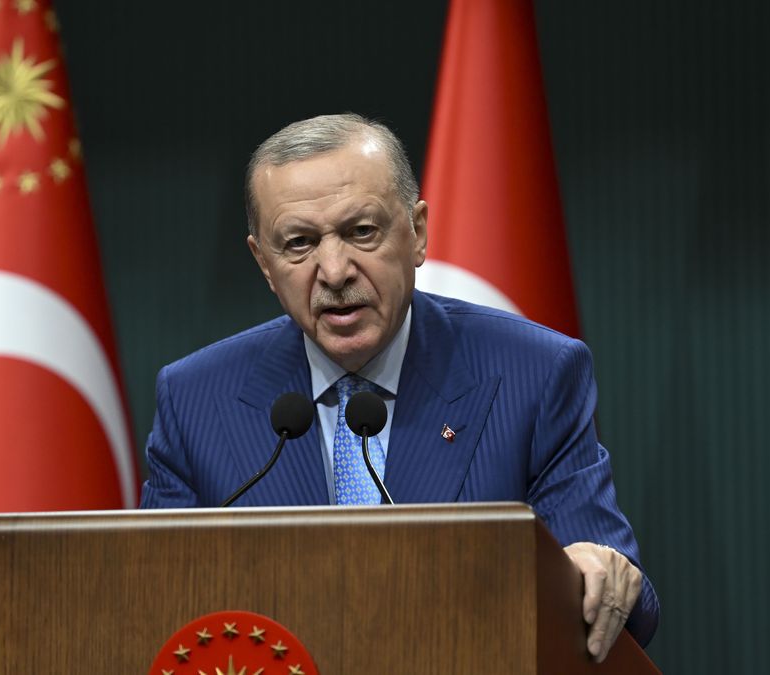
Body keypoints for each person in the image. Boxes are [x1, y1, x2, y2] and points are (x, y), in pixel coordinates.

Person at [139, 113, 658, 659]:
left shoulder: (534, 374)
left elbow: (618, 594)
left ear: (418, 233)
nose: (334, 271)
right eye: (300, 243)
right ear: (264, 263)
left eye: (361, 232)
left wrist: (600, 570)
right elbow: (147, 602)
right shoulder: (195, 399)